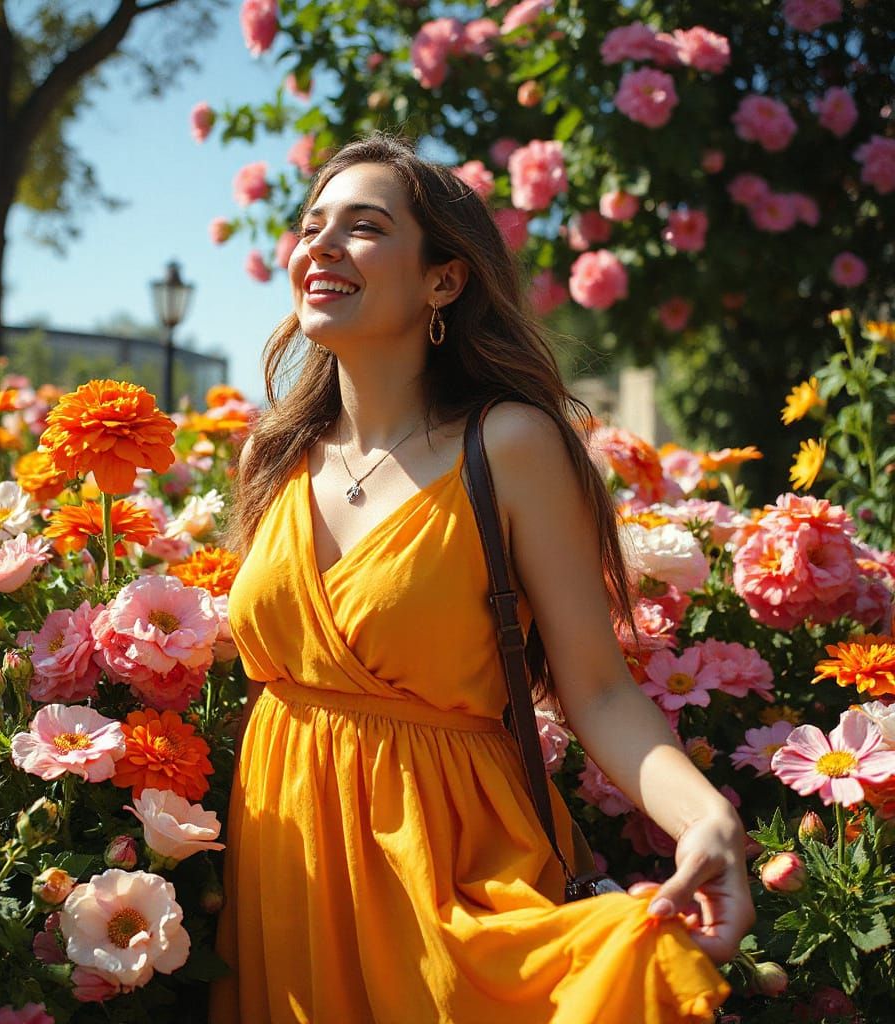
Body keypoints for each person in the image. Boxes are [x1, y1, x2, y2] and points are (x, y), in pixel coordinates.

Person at [209, 133, 753, 1024]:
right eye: (313, 226)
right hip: (286, 860)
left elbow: (599, 690)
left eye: (365, 226)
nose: (323, 246)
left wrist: (706, 820)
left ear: (444, 281)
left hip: (445, 860)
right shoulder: (273, 456)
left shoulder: (507, 444)